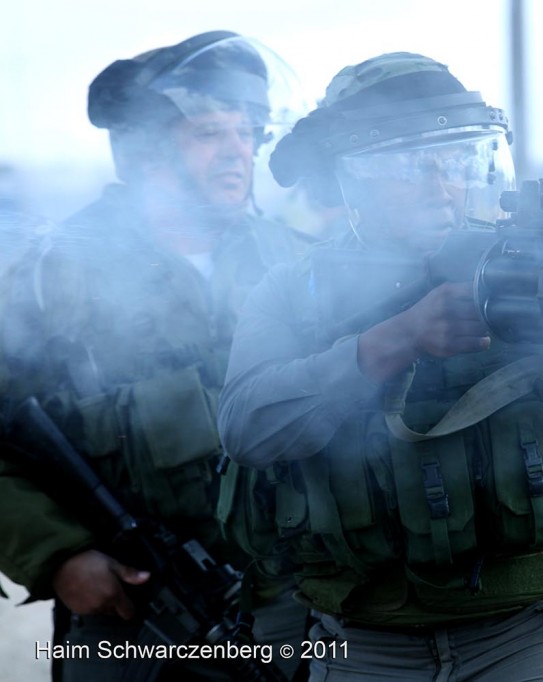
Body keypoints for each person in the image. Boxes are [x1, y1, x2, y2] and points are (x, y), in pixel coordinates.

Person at [215, 51, 543, 681]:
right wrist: (391, 343)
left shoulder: (524, 267)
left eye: (455, 158)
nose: (439, 182)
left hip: (533, 626)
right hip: (365, 641)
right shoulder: (296, 292)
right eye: (406, 163)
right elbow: (247, 426)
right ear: (352, 178)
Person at [0, 30, 311, 681]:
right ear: (145, 153)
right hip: (128, 611)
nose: (236, 152)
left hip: (295, 604)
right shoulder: (54, 277)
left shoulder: (293, 262)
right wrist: (60, 555)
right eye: (208, 134)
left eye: (246, 131)